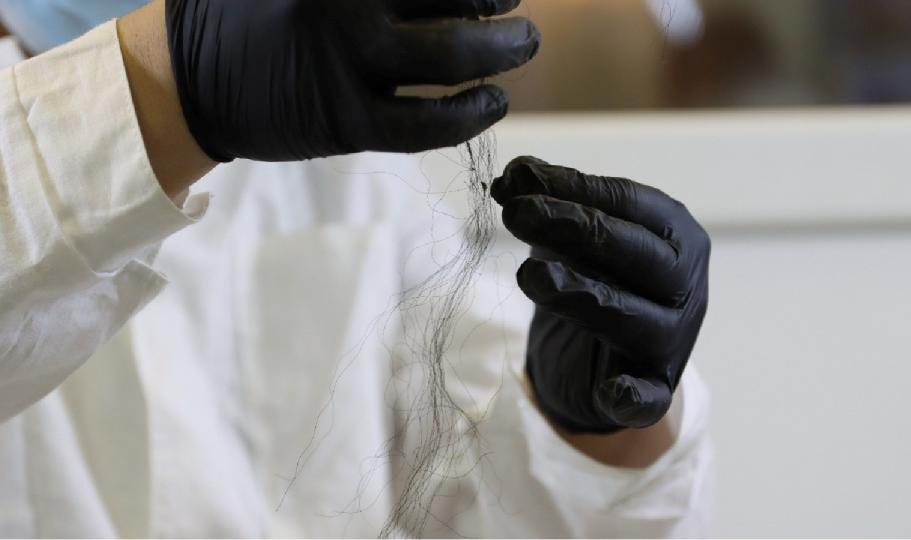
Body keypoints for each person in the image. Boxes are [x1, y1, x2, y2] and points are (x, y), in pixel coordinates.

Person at [0, 0, 714, 537]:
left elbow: (480, 494)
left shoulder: (323, 144)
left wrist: (592, 430)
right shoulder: (237, 84)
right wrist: (163, 88)